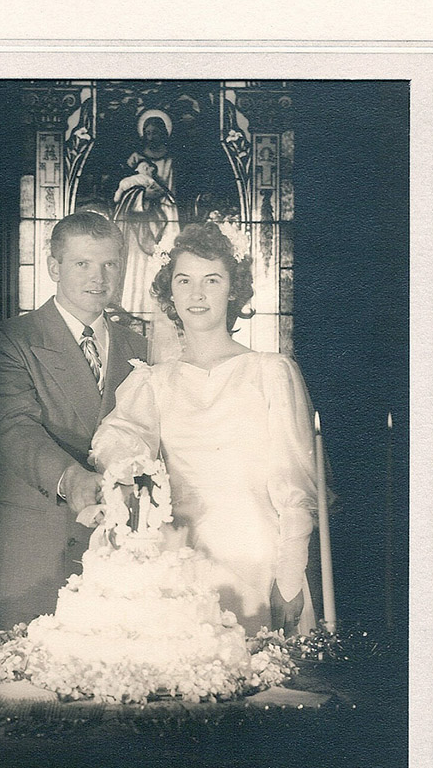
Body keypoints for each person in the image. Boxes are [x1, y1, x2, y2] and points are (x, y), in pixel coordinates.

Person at [90, 221, 320, 636]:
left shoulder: (271, 373)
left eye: (211, 281)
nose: (197, 295)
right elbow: (115, 439)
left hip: (259, 563)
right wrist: (129, 467)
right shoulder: (154, 382)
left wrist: (288, 578)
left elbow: (296, 488)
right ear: (170, 292)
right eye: (184, 281)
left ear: (233, 290)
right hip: (185, 565)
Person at [0, 211, 147, 629]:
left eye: (110, 264)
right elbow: (15, 429)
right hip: (33, 544)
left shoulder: (138, 345)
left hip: (115, 548)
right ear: (54, 267)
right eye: (82, 263)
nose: (98, 278)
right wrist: (72, 479)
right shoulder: (11, 340)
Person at [113, 111, 180, 317]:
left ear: (164, 134)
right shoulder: (135, 160)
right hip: (139, 219)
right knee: (138, 262)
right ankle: (135, 308)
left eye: (155, 133)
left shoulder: (171, 161)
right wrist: (144, 196)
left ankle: (162, 309)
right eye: (147, 133)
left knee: (165, 256)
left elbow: (173, 191)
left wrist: (156, 194)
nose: (151, 137)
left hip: (167, 214)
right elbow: (126, 190)